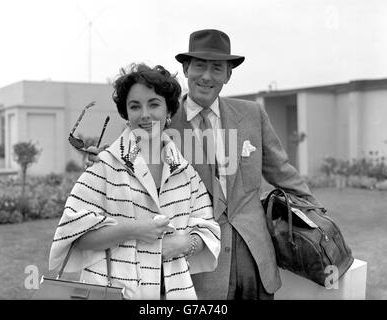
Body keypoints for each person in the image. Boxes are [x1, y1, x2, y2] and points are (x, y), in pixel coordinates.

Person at [88, 29, 321, 300]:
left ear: (228, 75)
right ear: (186, 69)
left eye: (217, 68)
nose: (207, 76)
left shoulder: (252, 114)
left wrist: (318, 218)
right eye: (199, 66)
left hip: (256, 261)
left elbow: (283, 173)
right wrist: (104, 159)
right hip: (194, 267)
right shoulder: (160, 119)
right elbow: (128, 162)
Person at [49, 63, 221, 300]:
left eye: (154, 104)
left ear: (169, 111)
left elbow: (208, 230)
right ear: (126, 114)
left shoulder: (185, 172)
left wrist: (183, 245)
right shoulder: (104, 166)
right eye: (135, 106)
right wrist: (135, 229)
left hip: (174, 293)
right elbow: (75, 236)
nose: (145, 114)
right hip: (115, 292)